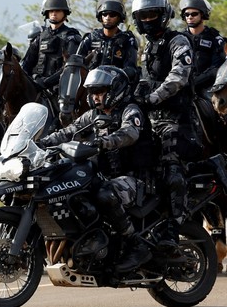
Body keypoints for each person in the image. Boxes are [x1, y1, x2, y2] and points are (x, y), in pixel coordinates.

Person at [40, 66, 156, 272]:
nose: (95, 97)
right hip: (105, 175)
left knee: (104, 194)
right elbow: (68, 131)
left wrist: (103, 142)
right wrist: (40, 143)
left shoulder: (130, 110)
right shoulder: (93, 115)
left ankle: (135, 244)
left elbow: (130, 133)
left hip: (135, 179)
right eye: (93, 93)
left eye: (100, 92)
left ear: (115, 90)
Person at [129, 0, 195, 224]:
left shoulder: (178, 41)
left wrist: (153, 98)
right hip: (150, 118)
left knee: (171, 169)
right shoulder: (147, 47)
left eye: (152, 15)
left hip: (174, 117)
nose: (147, 20)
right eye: (143, 16)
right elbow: (145, 79)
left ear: (163, 15)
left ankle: (179, 219)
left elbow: (179, 76)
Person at [22, 0, 82, 91]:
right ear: (47, 13)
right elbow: (27, 64)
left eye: (58, 11)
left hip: (59, 88)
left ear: (64, 14)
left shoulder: (71, 37)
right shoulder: (39, 36)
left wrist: (47, 82)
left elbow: (70, 67)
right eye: (51, 11)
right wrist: (33, 79)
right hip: (35, 85)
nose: (54, 13)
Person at [179, 0, 227, 97]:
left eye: (194, 14)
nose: (190, 17)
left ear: (203, 15)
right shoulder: (178, 38)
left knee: (220, 107)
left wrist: (195, 82)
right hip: (181, 85)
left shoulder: (215, 38)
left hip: (207, 87)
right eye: (187, 14)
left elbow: (216, 68)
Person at [76, 0, 138, 76]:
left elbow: (131, 68)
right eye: (104, 14)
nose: (107, 18)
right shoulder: (91, 37)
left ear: (119, 17)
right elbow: (76, 64)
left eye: (112, 15)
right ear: (100, 16)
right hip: (89, 84)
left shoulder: (127, 40)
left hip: (115, 84)